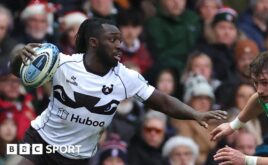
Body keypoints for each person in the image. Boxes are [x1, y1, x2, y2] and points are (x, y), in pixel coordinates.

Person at [10, 18, 227, 165]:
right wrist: (20, 56)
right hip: (41, 142)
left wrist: (195, 114)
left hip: (77, 156)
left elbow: (162, 101)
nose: (118, 45)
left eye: (120, 40)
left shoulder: (126, 77)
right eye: (112, 40)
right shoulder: (62, 63)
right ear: (93, 43)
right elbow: (16, 69)